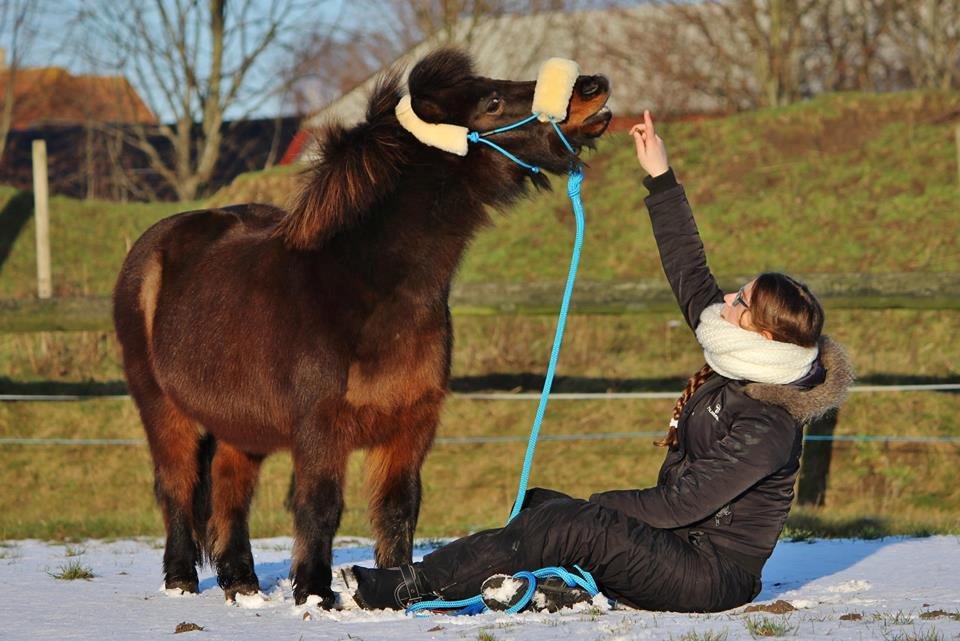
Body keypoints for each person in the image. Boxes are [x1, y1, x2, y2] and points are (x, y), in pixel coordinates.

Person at [348, 111, 854, 613]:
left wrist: (591, 508)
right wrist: (660, 178)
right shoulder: (744, 364)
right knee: (542, 506)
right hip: (677, 552)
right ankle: (558, 584)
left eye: (740, 302)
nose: (727, 299)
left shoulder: (769, 424)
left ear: (764, 336)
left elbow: (680, 506)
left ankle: (405, 588)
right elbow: (690, 273)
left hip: (709, 574)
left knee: (571, 522)